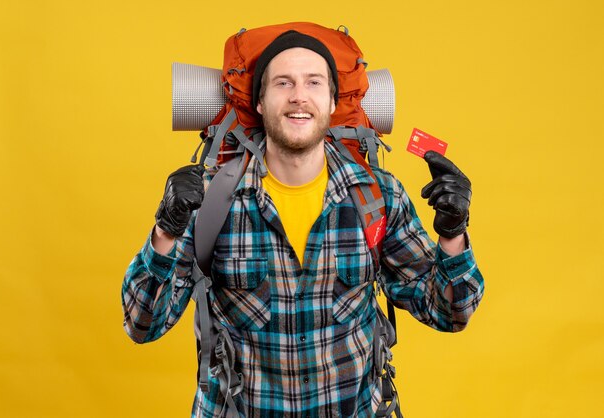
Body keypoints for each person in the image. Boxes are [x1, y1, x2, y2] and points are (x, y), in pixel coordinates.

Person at [122, 29, 484, 417]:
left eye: (314, 82)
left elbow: (450, 313)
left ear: (331, 101)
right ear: (261, 102)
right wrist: (166, 229)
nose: (299, 95)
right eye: (283, 83)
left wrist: (452, 235)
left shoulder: (378, 197)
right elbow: (142, 324)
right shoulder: (209, 199)